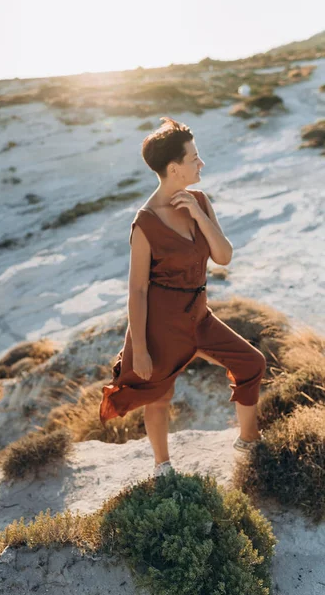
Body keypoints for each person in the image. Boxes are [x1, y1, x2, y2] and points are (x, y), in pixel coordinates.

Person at [99, 117, 266, 477]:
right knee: (158, 396)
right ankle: (163, 467)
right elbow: (138, 290)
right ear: (174, 168)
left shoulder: (201, 201)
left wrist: (199, 216)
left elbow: (223, 256)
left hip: (199, 316)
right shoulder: (144, 224)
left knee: (251, 363)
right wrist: (140, 348)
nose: (201, 163)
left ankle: (249, 441)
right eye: (195, 158)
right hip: (161, 325)